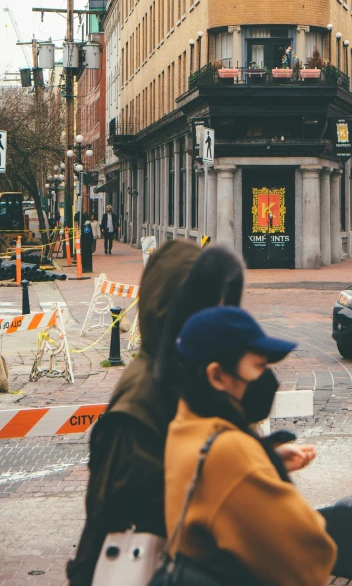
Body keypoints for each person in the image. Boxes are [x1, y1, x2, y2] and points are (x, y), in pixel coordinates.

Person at [67, 242, 245, 586]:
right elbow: (109, 514)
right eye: (209, 311)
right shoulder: (142, 401)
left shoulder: (181, 373)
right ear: (176, 314)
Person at [161, 306, 337, 586]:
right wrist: (259, 465)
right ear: (217, 376)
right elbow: (310, 559)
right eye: (258, 366)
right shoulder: (229, 452)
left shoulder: (183, 426)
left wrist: (266, 460)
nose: (269, 379)